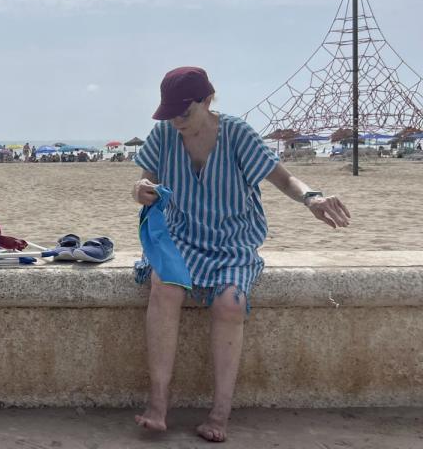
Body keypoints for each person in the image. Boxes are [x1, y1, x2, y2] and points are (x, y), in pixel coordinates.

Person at [131, 67, 350, 443]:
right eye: (171, 114)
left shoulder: (237, 133)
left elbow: (282, 178)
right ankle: (158, 404)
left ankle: (219, 413)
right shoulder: (164, 133)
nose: (177, 121)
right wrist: (141, 191)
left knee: (231, 302)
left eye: (184, 113)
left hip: (232, 241)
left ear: (207, 101)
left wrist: (311, 198)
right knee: (164, 287)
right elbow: (144, 181)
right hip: (181, 237)